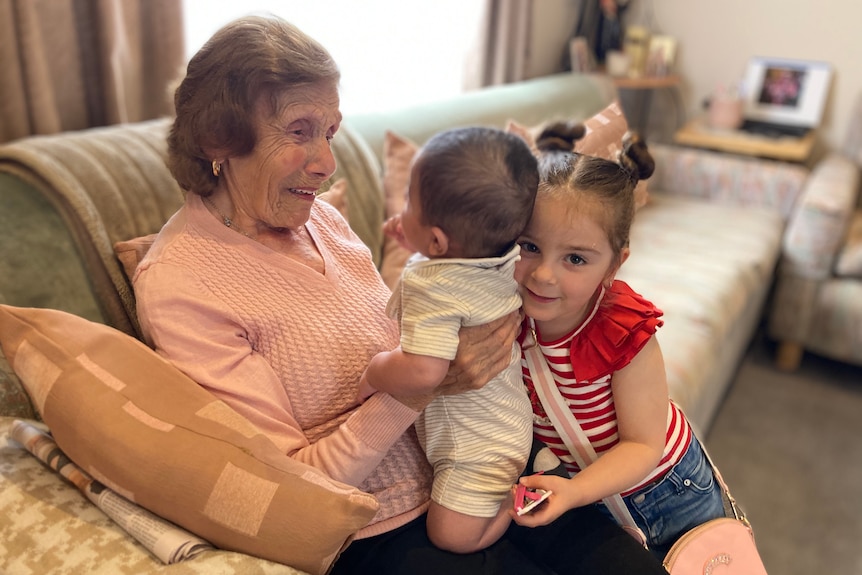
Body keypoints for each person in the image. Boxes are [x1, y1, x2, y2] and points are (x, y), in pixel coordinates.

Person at [133, 14, 669, 575]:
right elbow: (292, 485)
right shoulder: (183, 285)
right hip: (380, 528)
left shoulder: (320, 220)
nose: (327, 163)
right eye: (299, 131)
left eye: (331, 132)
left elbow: (405, 319)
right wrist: (422, 386)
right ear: (219, 136)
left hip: (472, 456)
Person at [509, 123, 728, 560]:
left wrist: (572, 493)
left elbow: (643, 445)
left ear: (614, 263)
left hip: (670, 491)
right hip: (591, 493)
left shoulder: (621, 329)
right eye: (528, 246)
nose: (543, 274)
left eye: (575, 258)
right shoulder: (508, 313)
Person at [357, 126, 536, 553]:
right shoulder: (506, 256)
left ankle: (514, 507)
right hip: (508, 421)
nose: (401, 211)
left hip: (473, 450)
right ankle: (519, 479)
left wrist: (376, 372)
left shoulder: (429, 285)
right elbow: (460, 276)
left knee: (450, 537)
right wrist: (419, 242)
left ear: (438, 240)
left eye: (408, 204)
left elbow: (424, 369)